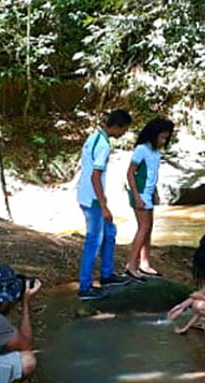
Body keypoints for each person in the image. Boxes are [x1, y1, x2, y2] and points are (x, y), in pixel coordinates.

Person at [77, 109, 133, 300]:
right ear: (116, 126)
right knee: (94, 240)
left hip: (88, 195)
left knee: (109, 232)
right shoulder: (103, 145)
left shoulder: (94, 137)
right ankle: (85, 287)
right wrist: (103, 205)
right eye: (124, 129)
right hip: (93, 199)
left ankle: (107, 275)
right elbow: (95, 176)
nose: (124, 133)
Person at [124, 117, 175, 281]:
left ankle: (145, 263)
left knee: (148, 228)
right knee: (143, 227)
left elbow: (152, 174)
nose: (163, 141)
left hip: (148, 193)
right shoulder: (141, 149)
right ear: (154, 134)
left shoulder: (155, 152)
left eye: (166, 138)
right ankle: (131, 265)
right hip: (140, 193)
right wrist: (137, 197)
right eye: (162, 137)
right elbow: (130, 173)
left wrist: (154, 193)